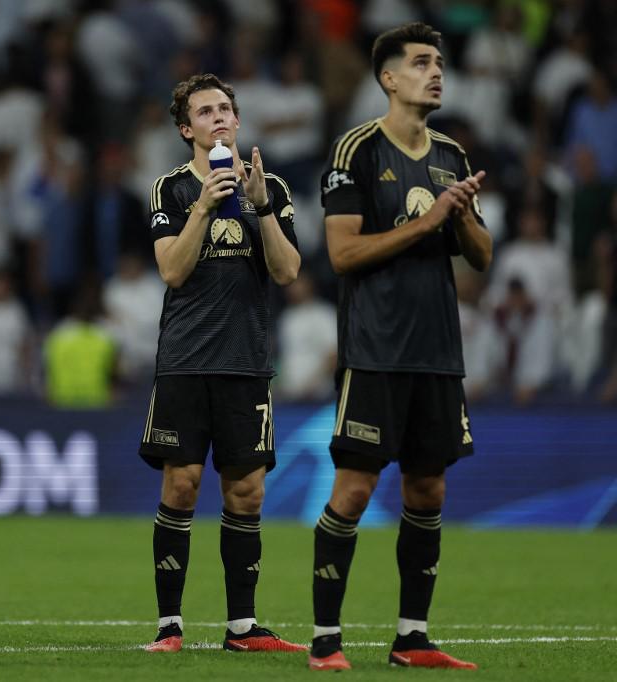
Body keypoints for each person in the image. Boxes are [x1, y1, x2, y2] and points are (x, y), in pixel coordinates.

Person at [310, 23, 492, 671]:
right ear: (389, 78)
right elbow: (342, 253)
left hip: (438, 350)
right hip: (376, 349)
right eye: (420, 62)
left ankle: (412, 638)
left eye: (439, 62)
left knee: (429, 492)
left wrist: (464, 214)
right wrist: (429, 220)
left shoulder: (452, 154)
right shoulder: (355, 150)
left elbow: (481, 257)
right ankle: (326, 640)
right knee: (356, 490)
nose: (435, 71)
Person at [139, 73, 304, 654]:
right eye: (205, 111)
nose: (218, 117)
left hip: (246, 362)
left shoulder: (273, 188)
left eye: (226, 108)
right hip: (185, 361)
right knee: (181, 486)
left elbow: (287, 272)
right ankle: (169, 626)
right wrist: (205, 207)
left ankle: (242, 628)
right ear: (187, 129)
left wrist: (258, 208)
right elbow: (171, 271)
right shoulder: (171, 190)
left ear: (236, 120)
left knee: (247, 494)